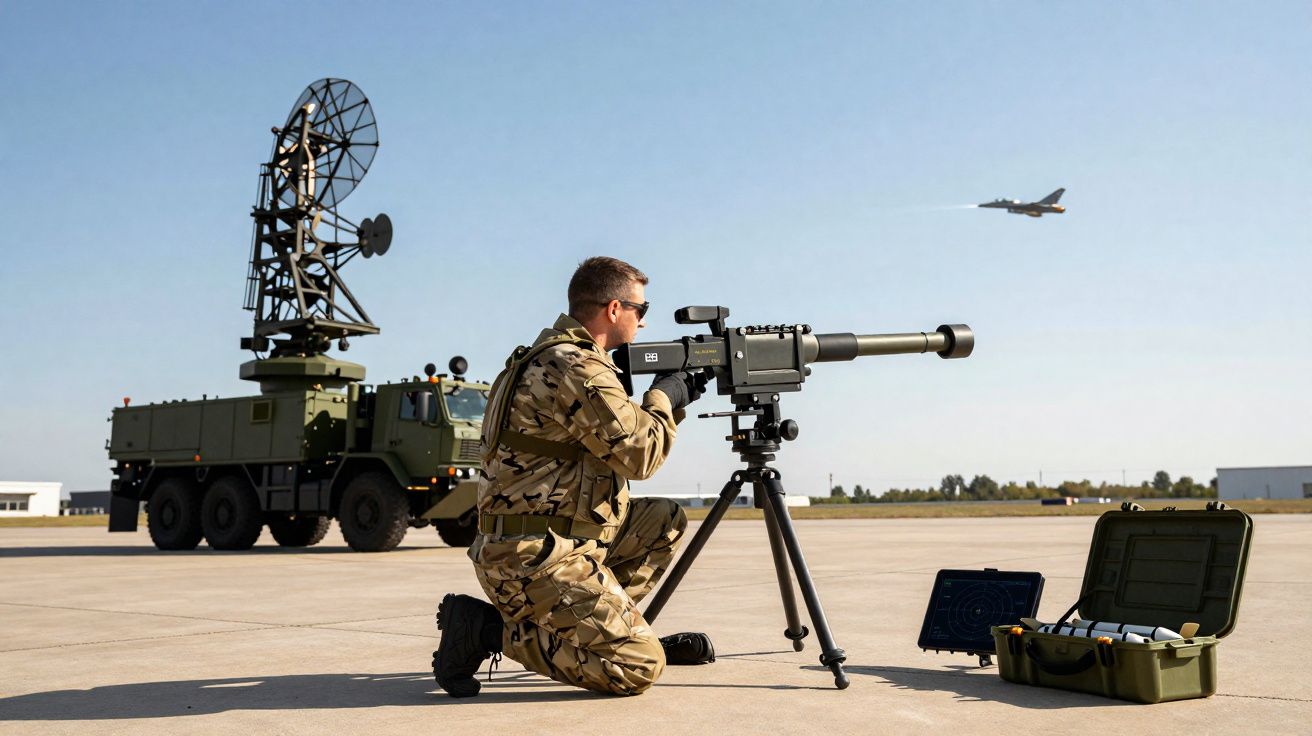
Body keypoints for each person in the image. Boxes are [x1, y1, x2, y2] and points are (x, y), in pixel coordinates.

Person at [433, 256, 714, 698]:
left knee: (664, 521)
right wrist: (664, 397)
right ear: (614, 309)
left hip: (549, 541)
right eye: (641, 309)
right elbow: (640, 456)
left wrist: (667, 399)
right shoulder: (575, 366)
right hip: (533, 558)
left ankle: (607, 635)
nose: (643, 321)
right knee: (639, 668)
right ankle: (485, 631)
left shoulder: (549, 357)